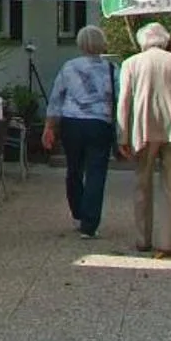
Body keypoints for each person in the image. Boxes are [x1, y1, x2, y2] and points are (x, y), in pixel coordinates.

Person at [119, 22, 171, 259]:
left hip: (144, 129)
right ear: (165, 40)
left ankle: (142, 239)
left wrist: (123, 135)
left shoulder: (131, 64)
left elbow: (124, 102)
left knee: (142, 185)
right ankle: (167, 242)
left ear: (141, 41)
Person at [41, 25, 119, 239]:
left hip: (72, 123)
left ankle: (78, 212)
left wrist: (49, 126)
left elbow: (57, 97)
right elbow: (119, 99)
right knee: (96, 172)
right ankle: (89, 223)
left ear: (80, 43)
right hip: (99, 123)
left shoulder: (69, 67)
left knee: (74, 169)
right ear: (101, 43)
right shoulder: (112, 69)